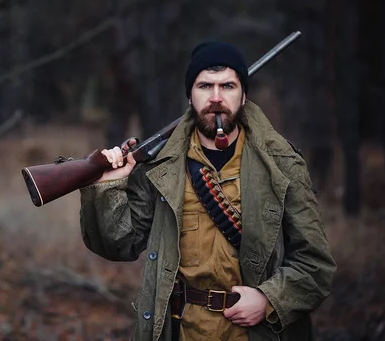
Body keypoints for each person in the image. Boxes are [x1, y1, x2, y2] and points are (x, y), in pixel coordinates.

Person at [78, 42, 336, 341]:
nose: (216, 98)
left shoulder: (282, 165)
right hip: (181, 331)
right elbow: (118, 245)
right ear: (190, 95)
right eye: (205, 86)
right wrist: (110, 185)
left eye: (227, 85)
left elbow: (315, 266)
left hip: (257, 333)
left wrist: (269, 300)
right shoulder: (159, 166)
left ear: (244, 95)